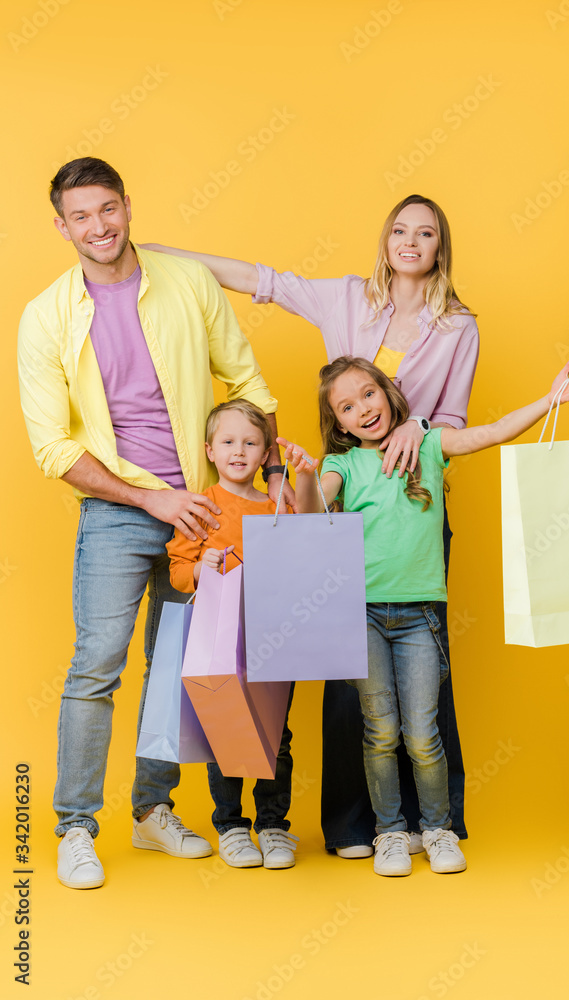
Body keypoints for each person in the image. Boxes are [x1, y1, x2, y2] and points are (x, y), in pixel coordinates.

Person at [143, 193, 478, 856]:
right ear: (384, 240)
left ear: (440, 248)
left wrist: (420, 424)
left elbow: (460, 424)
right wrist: (155, 255)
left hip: (411, 511)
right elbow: (258, 280)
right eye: (400, 230)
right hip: (337, 511)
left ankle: (435, 825)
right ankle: (361, 827)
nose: (411, 242)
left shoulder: (458, 326)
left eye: (426, 234)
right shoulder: (347, 299)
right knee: (346, 673)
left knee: (424, 681)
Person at [17, 157, 294, 890]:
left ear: (128, 207)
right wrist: (150, 499)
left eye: (107, 209)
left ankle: (151, 812)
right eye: (80, 216)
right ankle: (76, 827)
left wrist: (271, 476)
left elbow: (248, 379)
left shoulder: (187, 283)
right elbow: (53, 447)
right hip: (118, 512)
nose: (97, 226)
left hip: (205, 512)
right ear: (61, 226)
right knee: (95, 669)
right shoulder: (45, 316)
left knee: (176, 665)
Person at [280, 355, 569, 875]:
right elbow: (311, 520)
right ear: (338, 423)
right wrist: (306, 476)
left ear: (388, 394)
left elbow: (489, 433)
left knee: (423, 732)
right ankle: (389, 833)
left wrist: (551, 399)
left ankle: (438, 828)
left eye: (369, 394)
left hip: (421, 615)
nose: (362, 408)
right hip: (361, 616)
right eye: (347, 406)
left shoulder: (427, 444)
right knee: (380, 732)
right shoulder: (341, 465)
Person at [166, 400, 298, 869]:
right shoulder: (204, 506)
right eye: (228, 442)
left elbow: (302, 557)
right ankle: (231, 825)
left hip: (274, 635)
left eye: (250, 442)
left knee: (275, 733)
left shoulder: (278, 506)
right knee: (225, 730)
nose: (239, 451)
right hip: (221, 636)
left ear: (266, 454)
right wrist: (201, 570)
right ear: (210, 451)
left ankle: (273, 825)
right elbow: (179, 568)